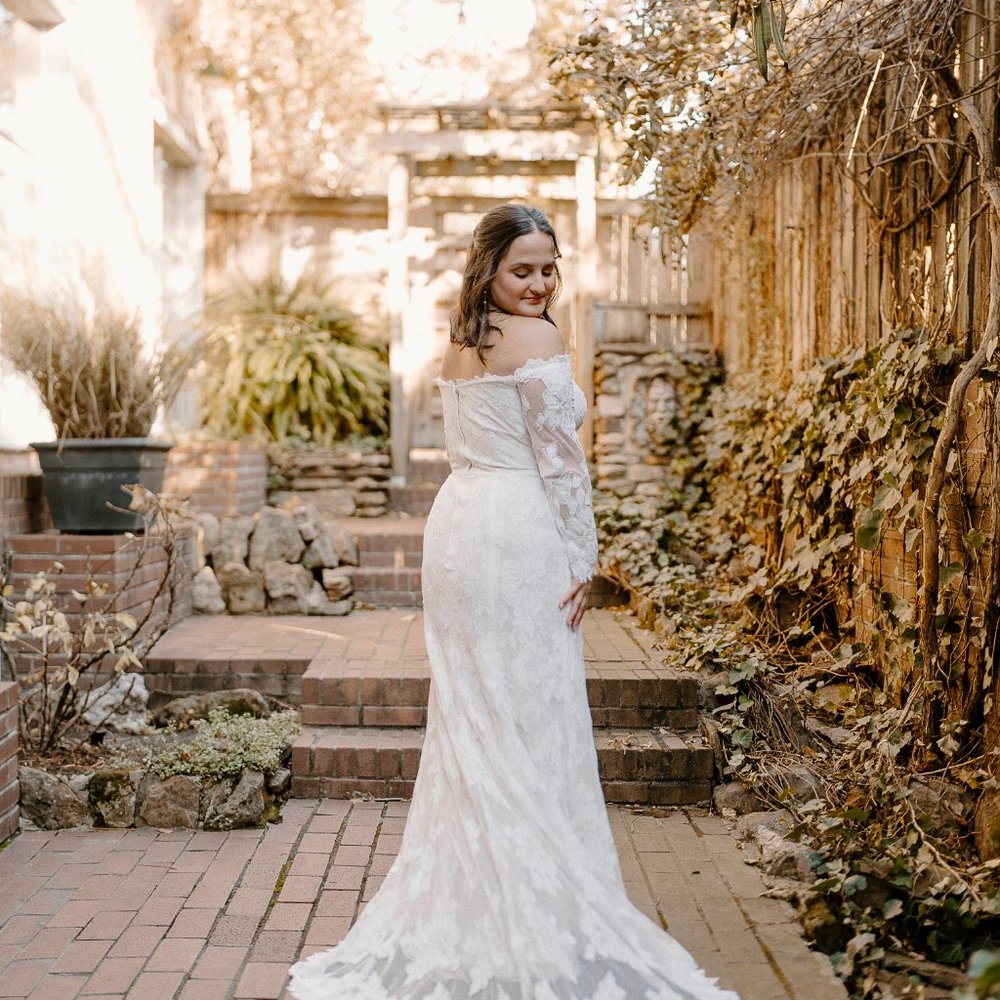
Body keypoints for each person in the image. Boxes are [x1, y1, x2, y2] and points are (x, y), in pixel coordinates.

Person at [288, 203, 739, 999]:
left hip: (459, 528)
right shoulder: (536, 339)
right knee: (532, 713)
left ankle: (481, 906)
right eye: (521, 269)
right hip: (519, 534)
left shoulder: (464, 342)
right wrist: (585, 558)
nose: (538, 284)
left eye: (547, 268)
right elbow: (562, 465)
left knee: (473, 719)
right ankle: (535, 911)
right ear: (489, 269)